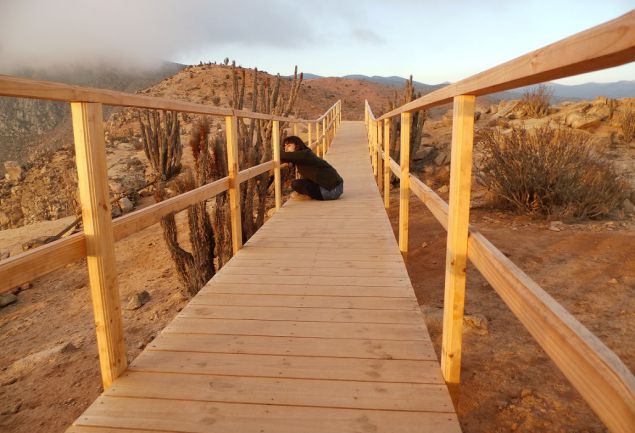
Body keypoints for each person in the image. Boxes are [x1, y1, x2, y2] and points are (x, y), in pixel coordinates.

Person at [280, 135, 343, 200]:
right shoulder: (304, 154)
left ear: (297, 145)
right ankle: (307, 195)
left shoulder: (304, 154)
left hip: (332, 191)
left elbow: (282, 155)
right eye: (284, 147)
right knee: (302, 182)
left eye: (289, 145)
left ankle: (307, 196)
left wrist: (278, 154)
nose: (286, 149)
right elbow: (288, 157)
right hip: (336, 188)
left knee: (296, 184)